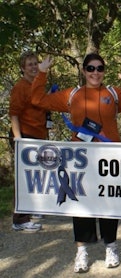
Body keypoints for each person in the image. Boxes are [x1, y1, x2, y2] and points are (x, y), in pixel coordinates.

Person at [31, 53, 121, 273]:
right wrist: (42, 72)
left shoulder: (113, 94)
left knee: (109, 202)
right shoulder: (72, 94)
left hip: (109, 158)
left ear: (104, 71)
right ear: (84, 71)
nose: (95, 73)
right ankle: (81, 252)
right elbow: (37, 100)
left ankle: (111, 247)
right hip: (80, 160)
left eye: (100, 68)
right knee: (81, 204)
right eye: (91, 68)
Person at [9, 51, 46, 232]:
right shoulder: (20, 87)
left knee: (35, 176)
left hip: (39, 135)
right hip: (24, 135)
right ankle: (20, 219)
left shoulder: (39, 85)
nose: (33, 67)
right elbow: (14, 114)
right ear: (23, 68)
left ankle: (32, 209)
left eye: (35, 63)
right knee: (23, 178)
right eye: (29, 64)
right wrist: (18, 139)